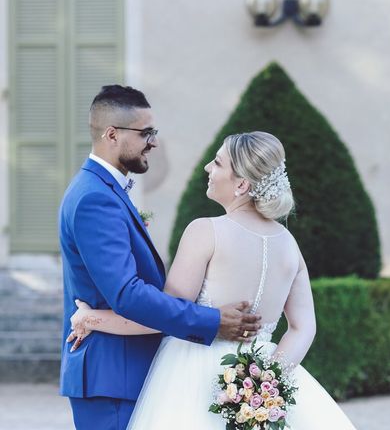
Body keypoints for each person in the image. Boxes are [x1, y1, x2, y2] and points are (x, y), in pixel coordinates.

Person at [68, 131, 357, 429]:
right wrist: (265, 382)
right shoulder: (289, 244)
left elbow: (163, 315)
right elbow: (303, 326)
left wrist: (92, 319)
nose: (207, 167)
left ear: (242, 184)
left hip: (195, 376)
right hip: (258, 377)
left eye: (218, 163)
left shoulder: (205, 231)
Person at [58, 85, 261, 430]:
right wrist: (212, 320)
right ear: (112, 134)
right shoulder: (95, 199)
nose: (153, 141)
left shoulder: (104, 191)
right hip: (112, 378)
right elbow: (126, 294)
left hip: (124, 371)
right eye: (146, 133)